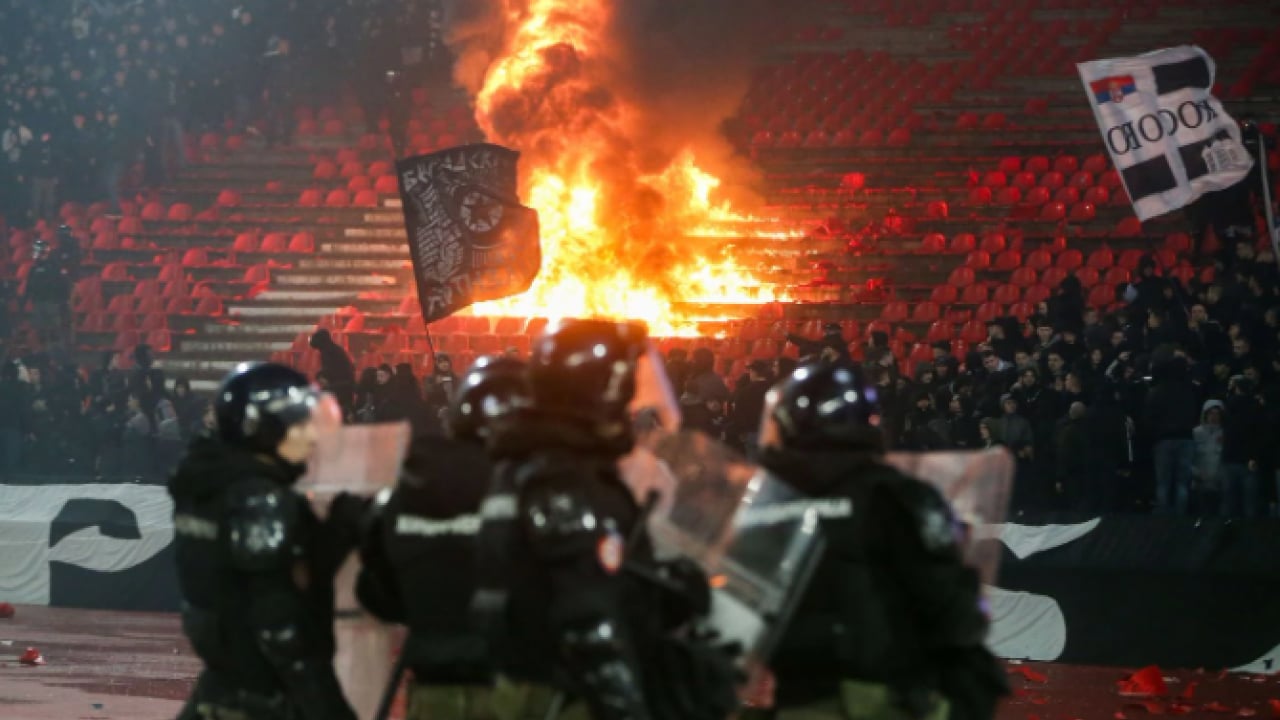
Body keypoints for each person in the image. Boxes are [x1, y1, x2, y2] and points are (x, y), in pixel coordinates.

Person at [471, 319, 738, 720]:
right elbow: (585, 614)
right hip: (570, 693)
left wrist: (664, 591)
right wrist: (625, 704)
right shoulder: (563, 479)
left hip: (543, 682)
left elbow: (594, 577)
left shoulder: (530, 463)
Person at [756, 362, 1008, 720]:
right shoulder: (901, 497)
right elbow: (955, 610)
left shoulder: (765, 507)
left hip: (798, 699)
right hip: (887, 698)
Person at [354, 355, 549, 720]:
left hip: (432, 687)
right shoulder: (534, 489)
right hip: (518, 689)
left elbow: (377, 590)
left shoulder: (409, 483)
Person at [169, 363, 359, 720]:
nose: (311, 436)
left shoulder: (206, 483)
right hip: (263, 696)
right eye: (298, 424)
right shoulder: (259, 500)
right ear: (266, 429)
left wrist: (328, 536)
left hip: (222, 681)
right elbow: (279, 625)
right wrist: (329, 709)